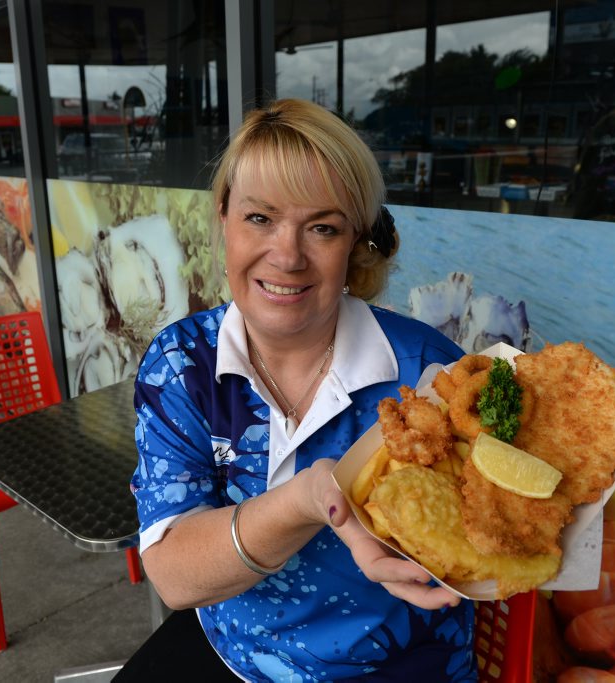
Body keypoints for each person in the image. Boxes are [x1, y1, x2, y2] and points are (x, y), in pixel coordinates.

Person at [120, 98, 475, 682]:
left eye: (322, 228)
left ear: (356, 242)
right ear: (224, 216)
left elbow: (486, 531)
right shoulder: (182, 363)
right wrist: (309, 499)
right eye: (260, 218)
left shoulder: (430, 373)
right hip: (234, 653)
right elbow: (175, 575)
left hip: (399, 666)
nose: (286, 257)